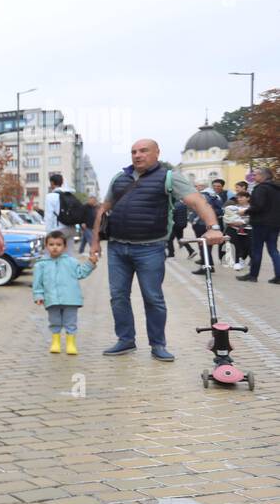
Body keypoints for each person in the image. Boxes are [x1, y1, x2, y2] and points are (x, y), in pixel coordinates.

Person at [92, 139, 224, 361]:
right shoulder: (119, 178)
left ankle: (158, 344)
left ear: (156, 153)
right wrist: (95, 242)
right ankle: (125, 340)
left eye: (143, 151)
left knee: (153, 298)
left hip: (150, 249)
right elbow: (103, 209)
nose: (137, 155)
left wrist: (214, 228)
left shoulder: (169, 177)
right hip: (117, 248)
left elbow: (197, 201)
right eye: (133, 151)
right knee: (118, 297)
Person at [33, 230, 95, 355]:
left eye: (58, 244)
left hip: (70, 299)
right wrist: (38, 295)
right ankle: (55, 342)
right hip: (51, 299)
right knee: (54, 321)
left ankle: (70, 343)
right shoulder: (41, 264)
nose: (55, 247)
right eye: (51, 244)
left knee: (70, 321)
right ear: (46, 246)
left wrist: (90, 263)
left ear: (65, 247)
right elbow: (37, 283)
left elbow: (80, 273)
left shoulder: (71, 262)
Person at [238, 166, 280, 283]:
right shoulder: (277, 189)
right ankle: (279, 276)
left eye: (255, 174)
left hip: (260, 223)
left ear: (263, 176)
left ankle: (253, 275)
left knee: (257, 250)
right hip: (275, 224)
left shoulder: (260, 188)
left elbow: (258, 206)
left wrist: (245, 211)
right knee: (273, 249)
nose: (253, 176)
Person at [189, 181, 224, 273]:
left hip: (201, 223)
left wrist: (194, 221)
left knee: (203, 245)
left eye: (197, 185)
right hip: (211, 223)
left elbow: (201, 209)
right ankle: (207, 262)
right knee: (208, 245)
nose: (195, 187)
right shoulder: (214, 195)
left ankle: (206, 266)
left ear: (202, 186)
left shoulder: (203, 195)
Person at [43, 173, 80, 248]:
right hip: (71, 228)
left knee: (53, 254)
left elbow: (49, 216)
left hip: (58, 229)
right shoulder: (70, 194)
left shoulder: (50, 196)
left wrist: (48, 234)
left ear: (52, 183)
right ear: (62, 183)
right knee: (69, 255)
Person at [223, 193, 251, 271]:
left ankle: (242, 258)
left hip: (248, 229)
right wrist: (231, 222)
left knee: (247, 247)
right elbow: (226, 217)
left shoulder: (251, 208)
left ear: (248, 198)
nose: (239, 199)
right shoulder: (232, 207)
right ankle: (237, 262)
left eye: (241, 197)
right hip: (233, 228)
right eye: (238, 197)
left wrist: (243, 222)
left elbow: (253, 218)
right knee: (236, 245)